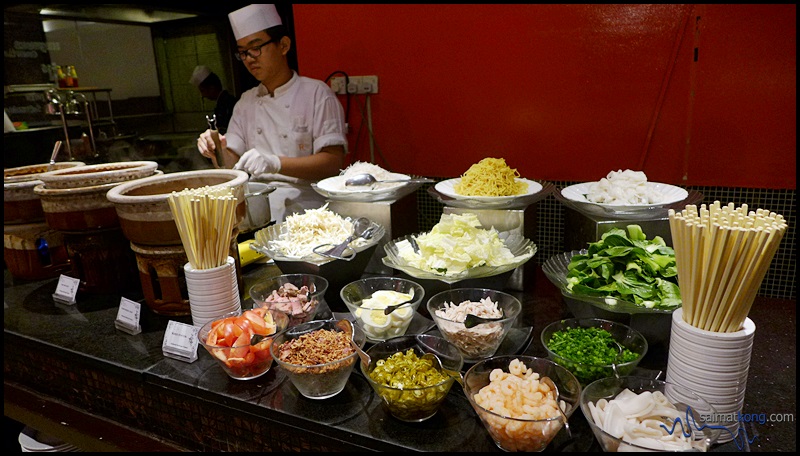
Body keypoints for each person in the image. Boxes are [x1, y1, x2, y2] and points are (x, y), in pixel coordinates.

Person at [196, 4, 347, 223]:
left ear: (283, 45)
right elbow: (230, 164)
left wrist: (275, 162)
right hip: (258, 209)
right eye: (243, 52)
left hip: (311, 211)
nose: (249, 58)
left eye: (256, 47)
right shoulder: (245, 103)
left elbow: (333, 162)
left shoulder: (317, 94)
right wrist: (215, 148)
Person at [189, 65, 238, 134]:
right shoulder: (223, 103)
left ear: (212, 88)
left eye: (202, 91)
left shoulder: (226, 104)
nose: (203, 95)